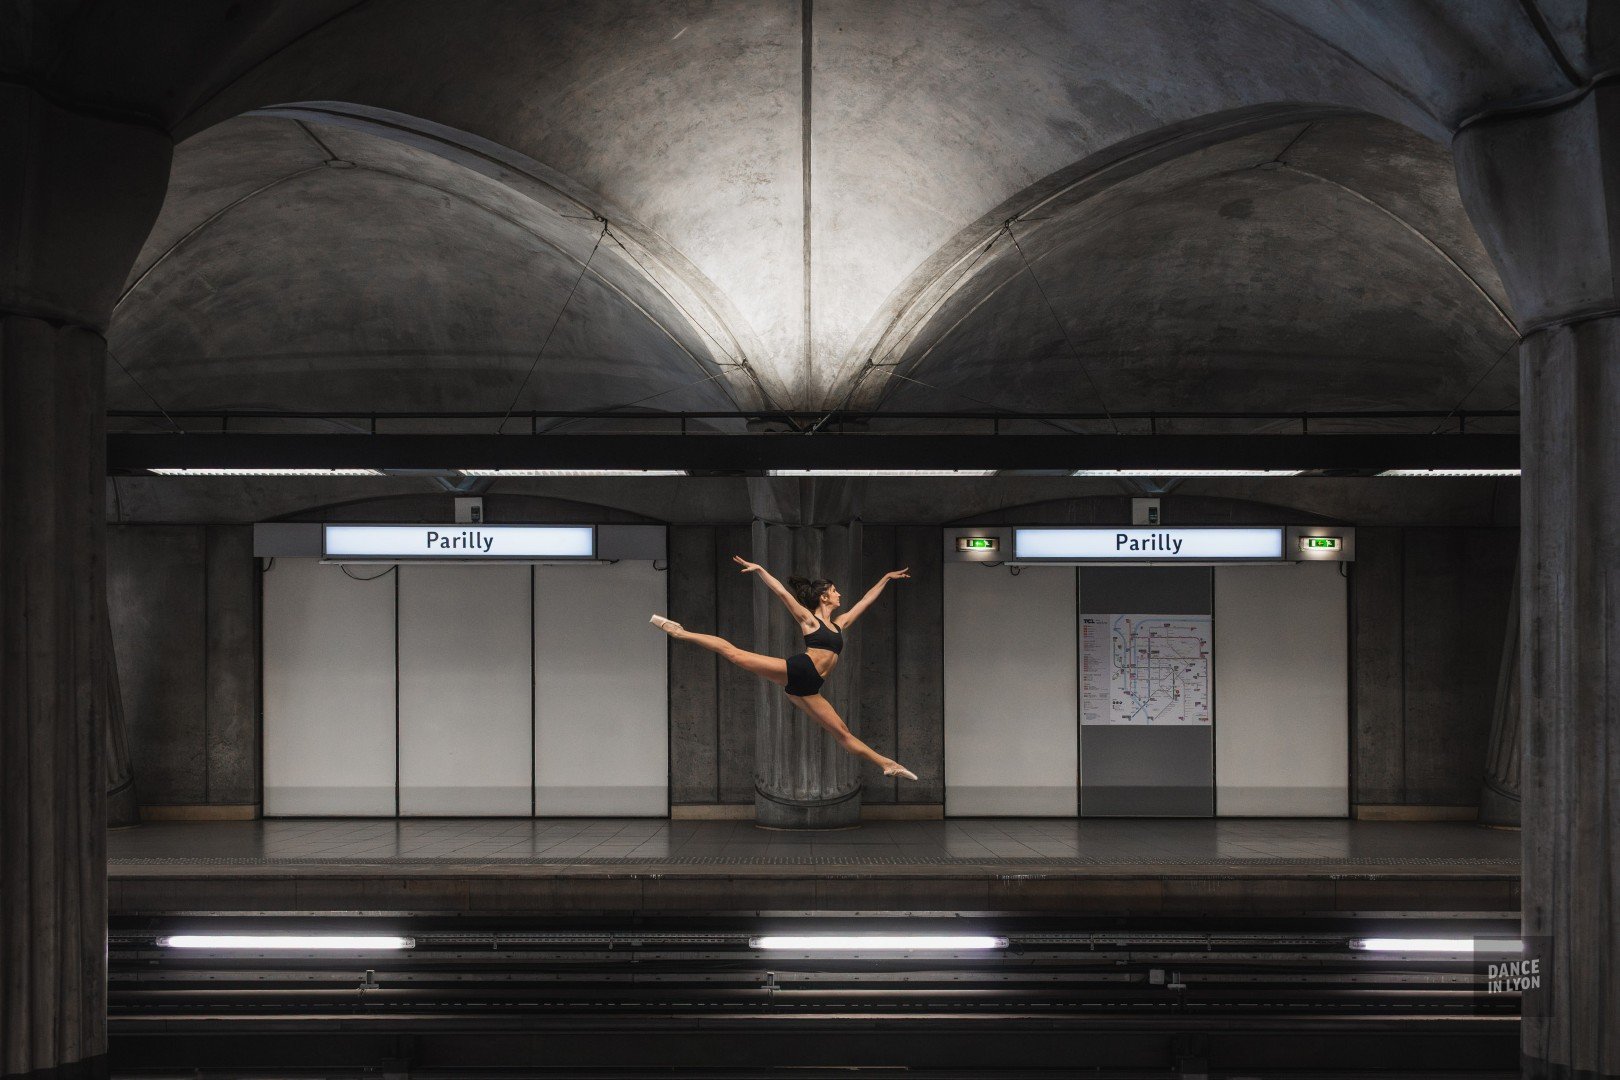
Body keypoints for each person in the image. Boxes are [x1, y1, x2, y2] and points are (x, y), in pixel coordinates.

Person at [651, 555, 918, 780]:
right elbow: (781, 593)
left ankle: (887, 764)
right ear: (824, 596)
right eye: (835, 591)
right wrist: (761, 571)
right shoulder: (810, 621)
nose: (839, 595)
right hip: (800, 670)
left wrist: (885, 578)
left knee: (842, 734)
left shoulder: (840, 624)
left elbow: (865, 602)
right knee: (735, 654)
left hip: (810, 688)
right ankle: (680, 633)